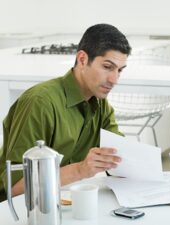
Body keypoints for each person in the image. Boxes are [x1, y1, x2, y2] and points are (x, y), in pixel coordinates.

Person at [0, 24, 132, 201]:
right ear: (83, 59)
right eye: (108, 67)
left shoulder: (100, 104)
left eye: (120, 70)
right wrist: (80, 170)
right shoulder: (40, 103)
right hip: (18, 209)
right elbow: (15, 188)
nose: (114, 79)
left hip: (64, 200)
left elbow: (120, 157)